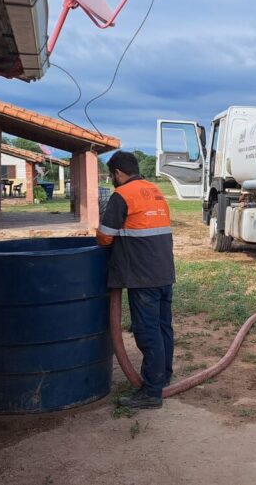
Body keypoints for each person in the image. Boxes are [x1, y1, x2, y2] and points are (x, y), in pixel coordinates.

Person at [96, 151, 176, 409]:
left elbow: (105, 236)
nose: (112, 180)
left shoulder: (122, 195)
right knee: (163, 326)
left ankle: (152, 392)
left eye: (112, 176)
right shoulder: (155, 191)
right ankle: (163, 374)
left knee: (146, 330)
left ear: (118, 173)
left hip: (142, 276)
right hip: (164, 271)